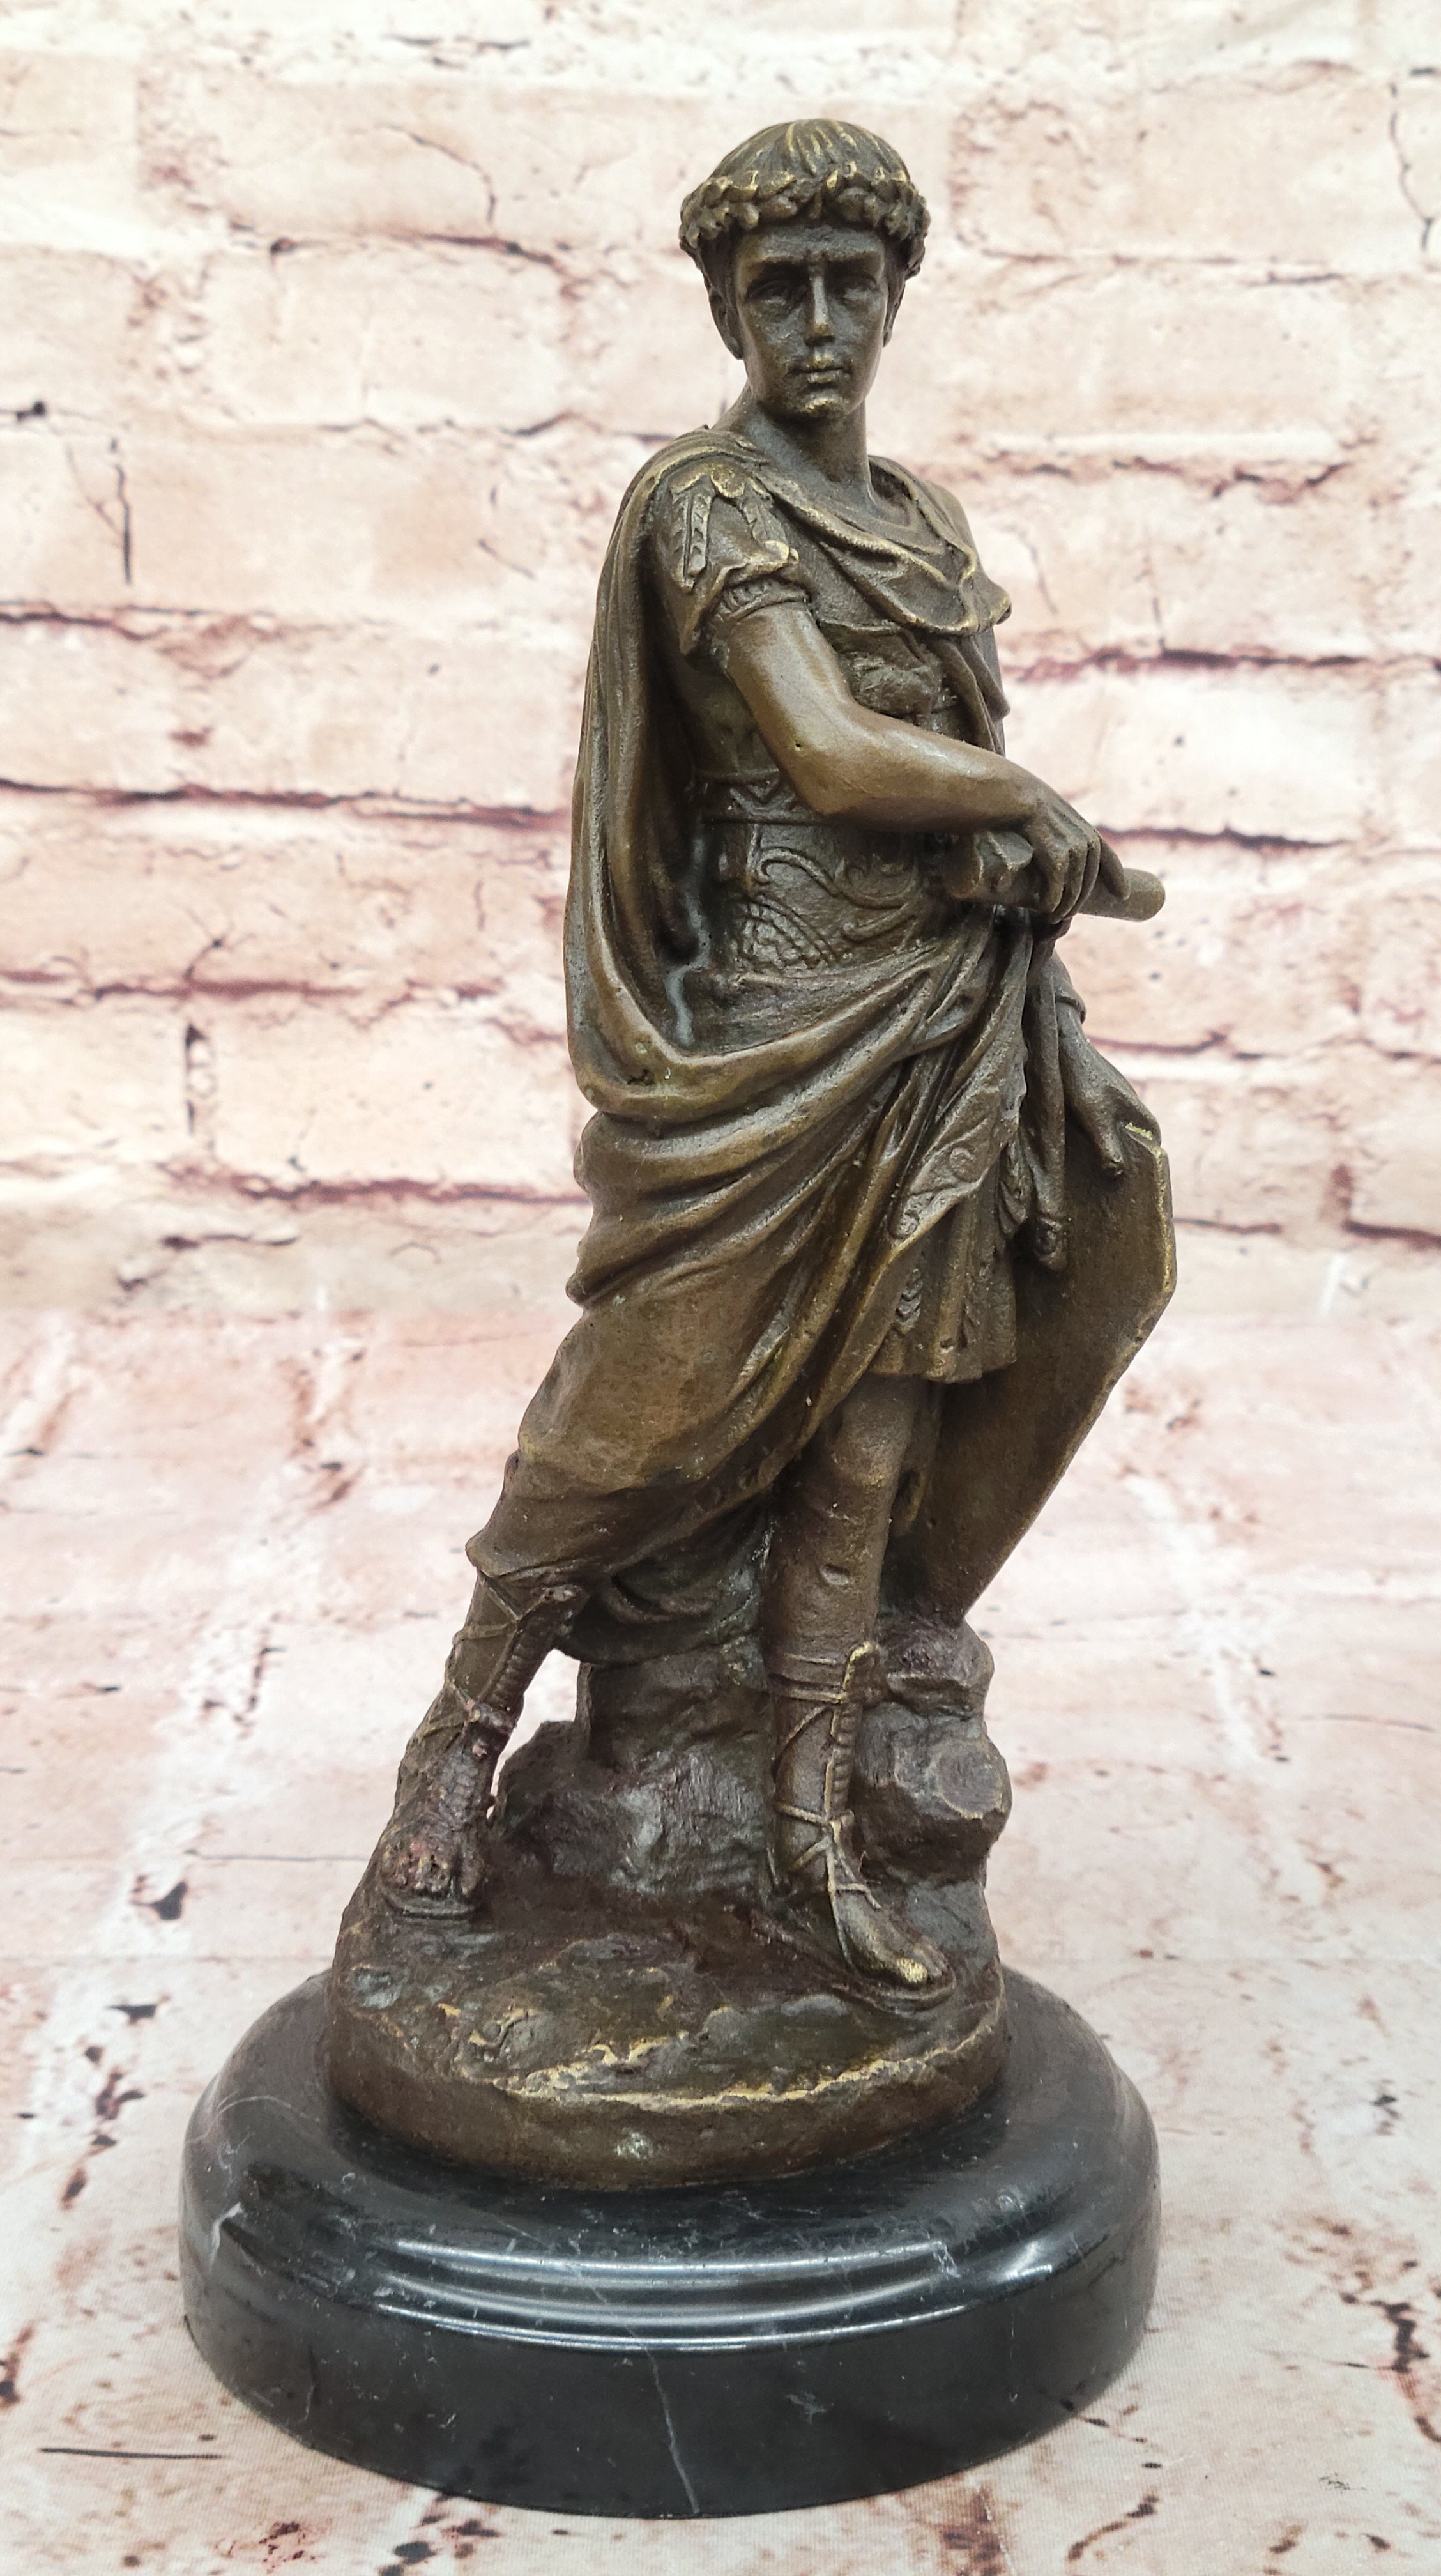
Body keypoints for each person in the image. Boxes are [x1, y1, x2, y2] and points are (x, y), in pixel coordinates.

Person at [373, 119, 1158, 1998]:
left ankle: (811, 1842)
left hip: (939, 1027)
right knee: (638, 1415)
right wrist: (1022, 798)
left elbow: (961, 810)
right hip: (769, 1037)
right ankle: (456, 1743)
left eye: (848, 284)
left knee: (871, 1444)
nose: (817, 320)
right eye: (777, 288)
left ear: (897, 297)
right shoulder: (704, 505)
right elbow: (826, 747)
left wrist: (1038, 973)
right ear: (727, 309)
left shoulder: (927, 528)